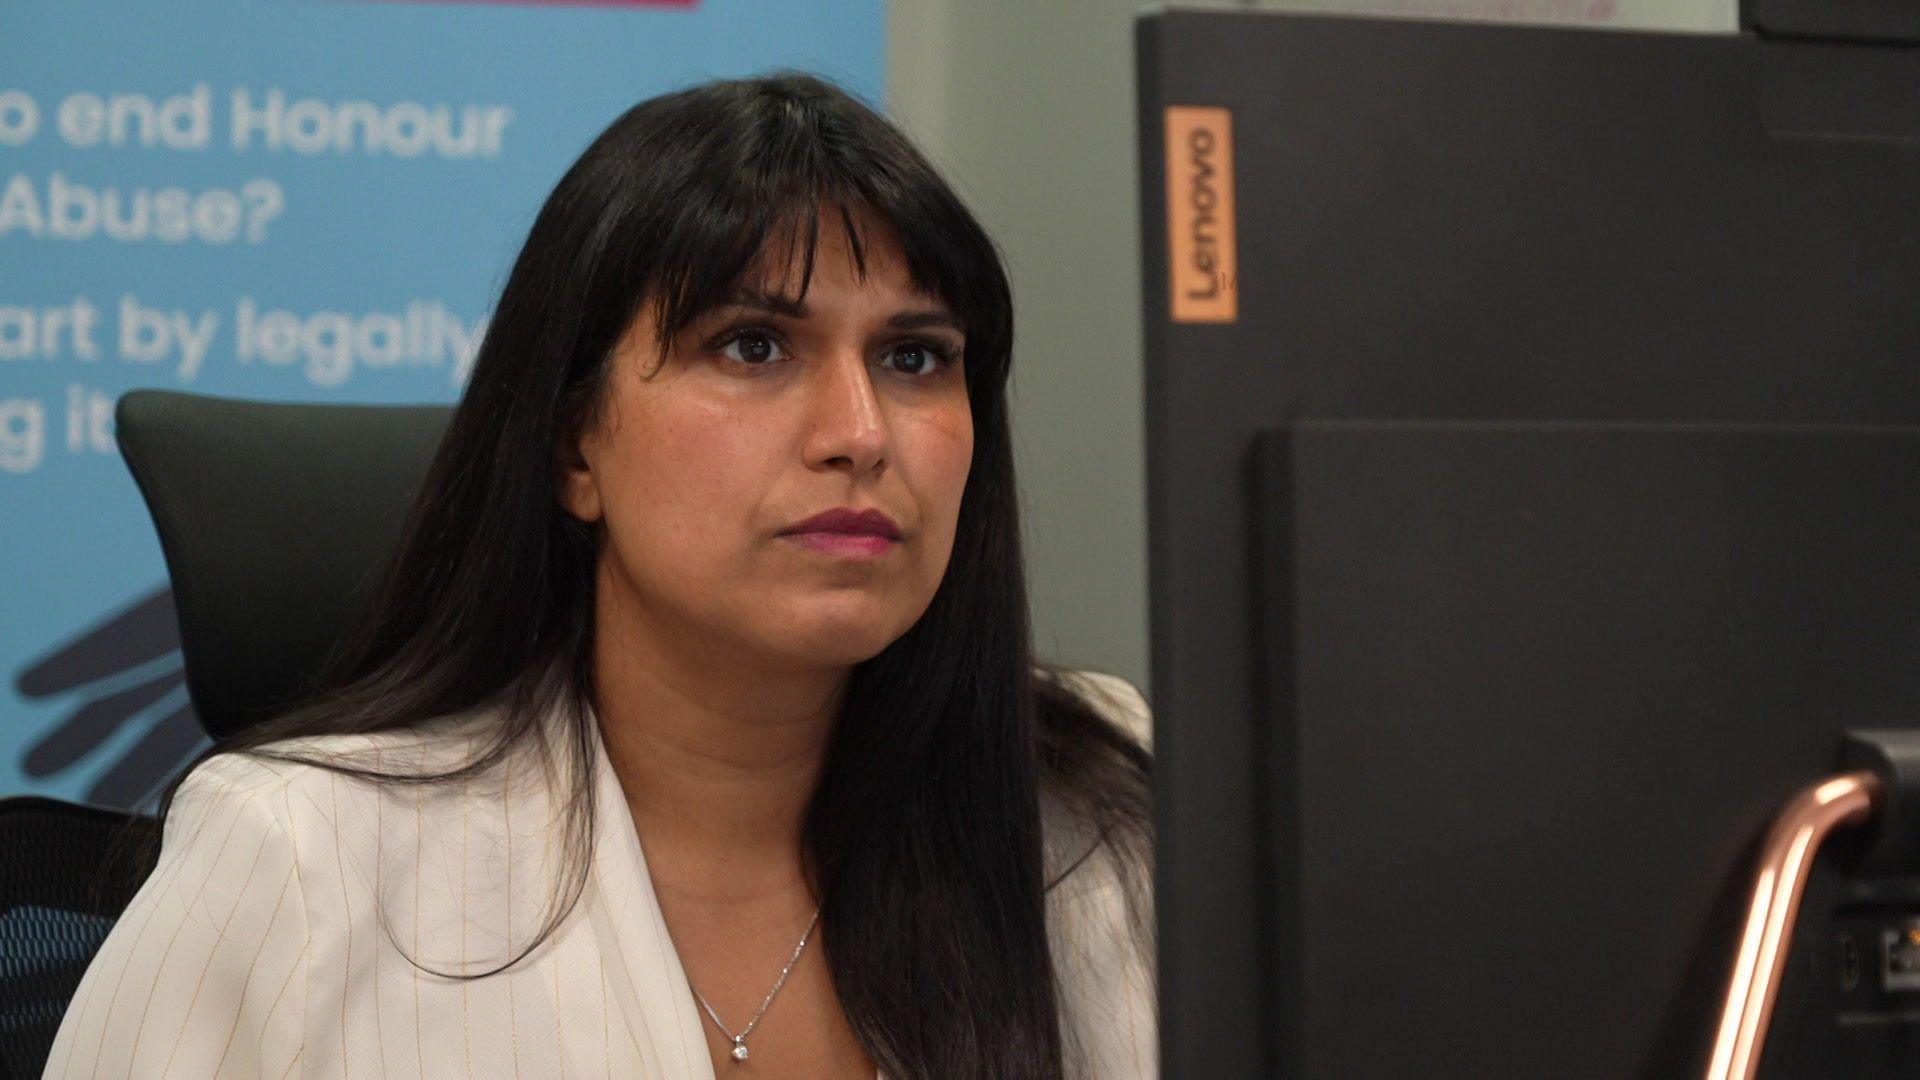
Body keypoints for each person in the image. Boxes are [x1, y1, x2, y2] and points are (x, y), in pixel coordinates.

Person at [43, 71, 1154, 1079]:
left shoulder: (1105, 825)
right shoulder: (301, 861)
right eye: (754, 348)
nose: (861, 434)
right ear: (577, 446)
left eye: (914, 358)